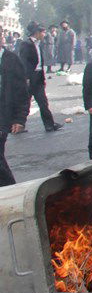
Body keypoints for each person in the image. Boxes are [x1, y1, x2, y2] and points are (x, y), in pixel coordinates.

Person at [19, 23, 61, 133]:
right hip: (30, 78)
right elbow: (23, 62)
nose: (44, 34)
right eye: (42, 32)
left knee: (43, 102)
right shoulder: (26, 44)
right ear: (36, 33)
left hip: (38, 77)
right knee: (25, 103)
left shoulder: (39, 44)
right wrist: (26, 78)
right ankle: (19, 125)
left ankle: (49, 125)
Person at [0, 25, 29, 185]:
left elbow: (21, 92)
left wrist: (20, 118)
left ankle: (10, 189)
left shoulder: (11, 59)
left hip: (3, 115)